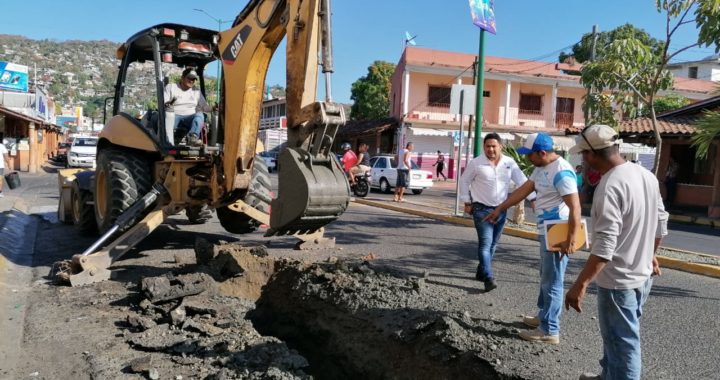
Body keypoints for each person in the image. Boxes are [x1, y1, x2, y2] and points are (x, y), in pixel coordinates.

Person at [565, 125, 668, 380]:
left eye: (583, 155)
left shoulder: (609, 186)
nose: (583, 160)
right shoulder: (646, 176)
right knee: (615, 336)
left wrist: (580, 284)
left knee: (624, 344)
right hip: (642, 277)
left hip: (618, 282)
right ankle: (607, 375)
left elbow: (604, 246)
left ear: (591, 154)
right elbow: (661, 222)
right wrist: (649, 254)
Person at [484, 132, 581, 345]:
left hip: (559, 231)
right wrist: (501, 208)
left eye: (530, 154)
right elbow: (524, 190)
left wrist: (571, 239)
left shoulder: (562, 172)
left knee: (553, 281)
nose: (527, 158)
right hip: (547, 229)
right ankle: (543, 316)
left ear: (542, 153)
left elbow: (575, 207)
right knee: (545, 276)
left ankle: (549, 330)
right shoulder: (541, 168)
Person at [459, 133, 533, 292]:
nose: (490, 149)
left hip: (501, 209)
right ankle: (488, 277)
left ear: (500, 146)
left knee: (493, 244)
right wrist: (467, 201)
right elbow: (464, 181)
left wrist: (533, 198)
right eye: (487, 146)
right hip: (481, 209)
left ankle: (481, 271)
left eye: (494, 146)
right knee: (485, 243)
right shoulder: (476, 163)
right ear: (484, 147)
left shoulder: (509, 163)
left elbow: (522, 181)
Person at [163, 68, 213, 147]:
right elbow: (165, 103)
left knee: (200, 114)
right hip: (174, 116)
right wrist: (168, 104)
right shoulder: (171, 87)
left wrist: (214, 108)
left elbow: (204, 107)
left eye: (193, 79)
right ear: (182, 78)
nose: (191, 81)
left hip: (189, 118)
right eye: (189, 78)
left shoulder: (196, 91)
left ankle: (192, 137)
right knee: (166, 117)